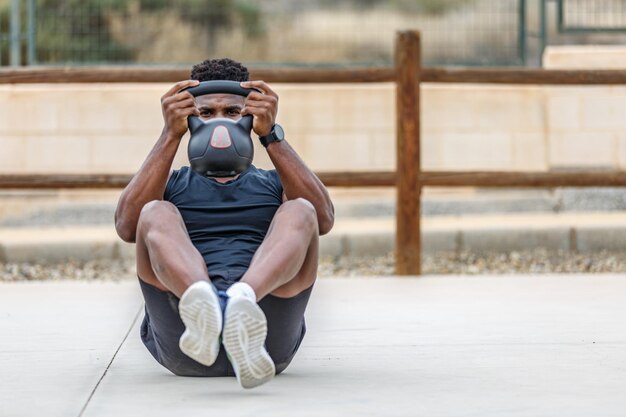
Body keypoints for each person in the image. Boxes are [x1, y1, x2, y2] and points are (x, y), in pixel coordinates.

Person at [114, 58, 334, 389]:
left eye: (232, 112)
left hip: (264, 336)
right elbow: (127, 226)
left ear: (250, 118)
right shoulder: (170, 184)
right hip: (186, 339)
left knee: (302, 210)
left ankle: (240, 303)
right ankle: (204, 302)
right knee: (153, 212)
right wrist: (169, 133)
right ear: (190, 119)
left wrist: (272, 135)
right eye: (205, 113)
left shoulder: (275, 184)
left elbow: (324, 218)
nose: (220, 122)